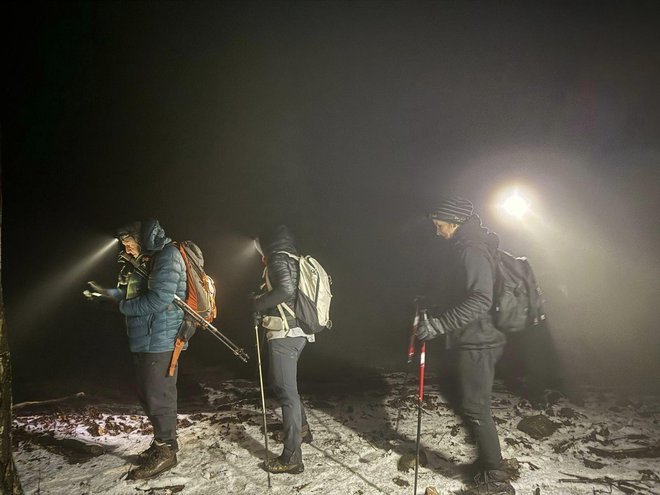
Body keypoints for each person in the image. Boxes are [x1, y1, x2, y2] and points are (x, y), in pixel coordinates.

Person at [415, 197, 514, 494]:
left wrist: (439, 324)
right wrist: (433, 304)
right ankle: (488, 464)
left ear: (455, 222)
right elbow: (462, 292)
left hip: (478, 341)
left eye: (439, 225)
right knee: (466, 401)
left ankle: (496, 479)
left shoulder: (471, 250)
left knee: (474, 406)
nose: (437, 231)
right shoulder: (465, 248)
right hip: (471, 338)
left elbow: (480, 298)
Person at [87, 219, 186, 480]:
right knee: (147, 394)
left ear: (140, 238)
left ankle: (167, 453)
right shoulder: (142, 260)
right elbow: (130, 294)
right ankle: (163, 442)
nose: (126, 248)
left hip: (162, 339)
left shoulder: (168, 255)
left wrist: (120, 307)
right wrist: (107, 295)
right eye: (123, 244)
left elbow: (160, 299)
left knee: (159, 394)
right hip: (145, 338)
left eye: (128, 242)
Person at [252, 225, 314, 475]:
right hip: (298, 331)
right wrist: (262, 298)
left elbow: (285, 291)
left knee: (287, 393)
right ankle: (302, 431)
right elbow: (286, 292)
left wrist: (257, 304)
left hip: (285, 333)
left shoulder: (278, 258)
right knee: (285, 387)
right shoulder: (293, 259)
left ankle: (292, 458)